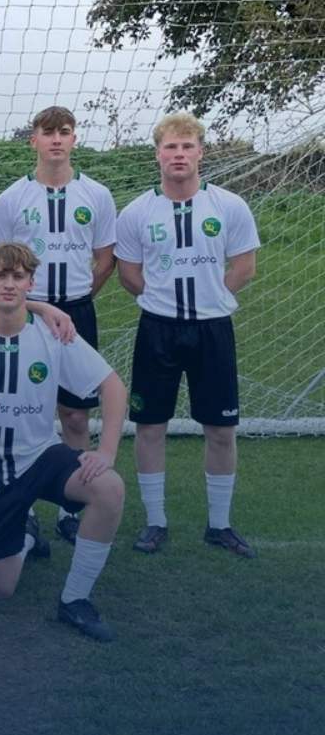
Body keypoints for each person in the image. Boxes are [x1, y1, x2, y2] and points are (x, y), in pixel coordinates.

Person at [0, 243, 127, 641]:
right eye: (0, 275)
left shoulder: (54, 335)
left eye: (18, 277)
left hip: (39, 460)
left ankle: (75, 600)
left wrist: (107, 451)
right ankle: (27, 530)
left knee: (110, 489)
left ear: (32, 283)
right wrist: (34, 304)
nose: (9, 284)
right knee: (0, 589)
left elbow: (113, 386)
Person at [115, 112, 260, 558]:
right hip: (157, 329)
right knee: (149, 425)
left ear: (201, 152)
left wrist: (209, 297)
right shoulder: (137, 210)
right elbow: (129, 274)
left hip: (212, 330)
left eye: (187, 146)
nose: (179, 155)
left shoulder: (229, 205)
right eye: (171, 147)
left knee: (220, 429)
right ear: (158, 154)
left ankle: (219, 525)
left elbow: (243, 266)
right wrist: (164, 301)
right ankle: (155, 521)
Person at [0, 105, 118, 548]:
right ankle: (22, 509)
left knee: (76, 414)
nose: (56, 139)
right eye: (48, 132)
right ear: (34, 140)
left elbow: (105, 260)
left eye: (64, 132)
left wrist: (80, 299)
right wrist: (35, 305)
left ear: (74, 139)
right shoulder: (10, 198)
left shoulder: (97, 195)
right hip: (26, 315)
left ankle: (70, 508)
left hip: (77, 311)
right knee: (25, 411)